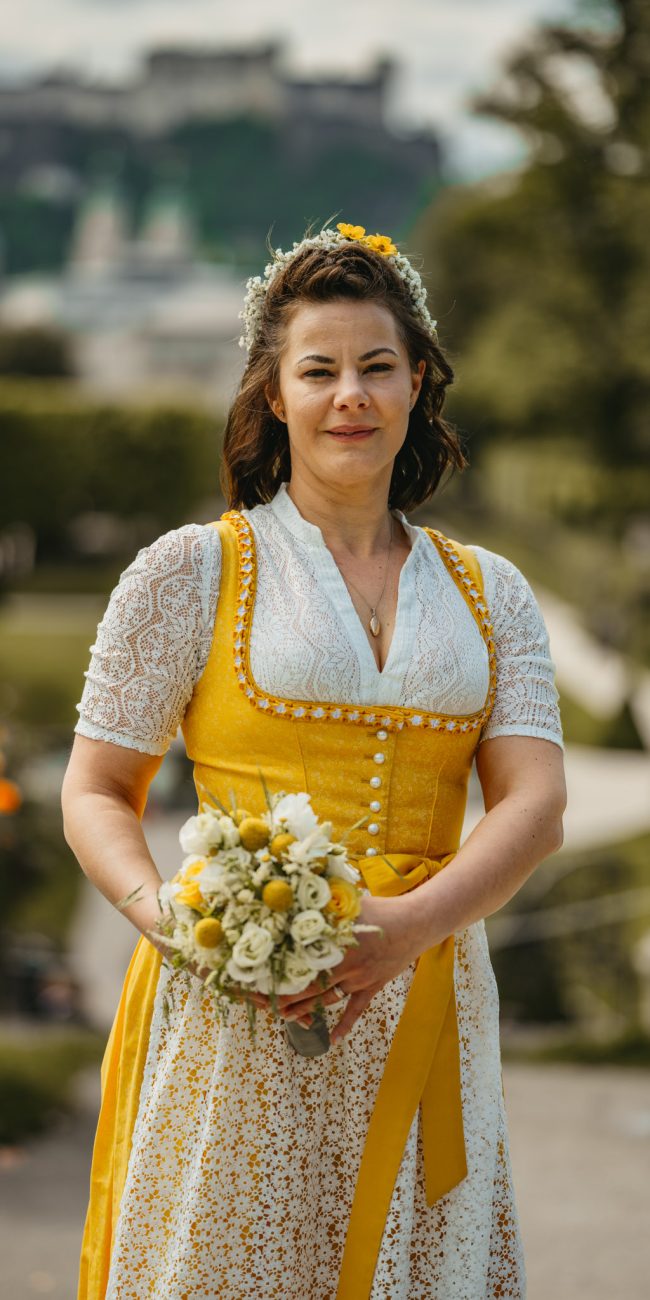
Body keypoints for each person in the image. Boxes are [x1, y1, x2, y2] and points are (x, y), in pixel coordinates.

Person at [62, 219, 567, 1300]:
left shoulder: (492, 592)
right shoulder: (189, 569)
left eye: (376, 366)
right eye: (320, 369)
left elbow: (533, 805)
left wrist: (408, 928)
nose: (350, 394)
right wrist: (172, 919)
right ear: (274, 393)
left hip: (429, 1007)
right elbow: (97, 790)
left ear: (416, 382)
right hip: (235, 1012)